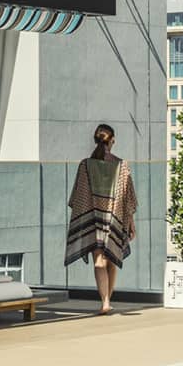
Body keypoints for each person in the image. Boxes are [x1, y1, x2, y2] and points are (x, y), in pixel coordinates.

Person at [65, 123, 137, 314]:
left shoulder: (85, 165)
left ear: (95, 140)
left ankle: (105, 301)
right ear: (112, 140)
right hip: (114, 219)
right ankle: (107, 300)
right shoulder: (122, 166)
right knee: (112, 260)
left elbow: (78, 197)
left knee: (99, 261)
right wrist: (131, 223)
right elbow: (127, 198)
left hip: (94, 218)